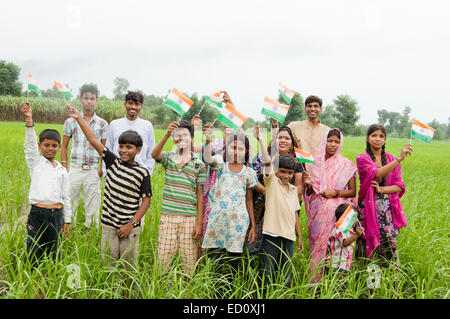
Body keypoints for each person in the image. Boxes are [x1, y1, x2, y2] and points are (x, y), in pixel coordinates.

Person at [66, 105, 151, 267]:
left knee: (128, 268)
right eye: (121, 146)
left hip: (130, 228)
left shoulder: (143, 173)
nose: (123, 151)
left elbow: (146, 202)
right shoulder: (112, 162)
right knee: (108, 265)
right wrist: (78, 118)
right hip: (109, 225)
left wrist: (131, 224)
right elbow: (92, 139)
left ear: (138, 150)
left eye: (129, 147)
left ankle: (127, 293)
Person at [152, 120, 206, 277]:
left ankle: (187, 290)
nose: (181, 138)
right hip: (168, 217)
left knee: (188, 261)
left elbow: (200, 194)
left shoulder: (199, 164)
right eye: (177, 135)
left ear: (193, 138)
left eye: (186, 135)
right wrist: (167, 134)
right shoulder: (169, 157)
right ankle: (160, 288)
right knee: (163, 258)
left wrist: (199, 222)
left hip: (190, 219)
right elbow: (154, 154)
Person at [303, 128, 357, 282]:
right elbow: (309, 194)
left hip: (339, 214)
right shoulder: (314, 164)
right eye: (330, 140)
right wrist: (307, 184)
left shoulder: (346, 165)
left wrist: (335, 192)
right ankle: (314, 283)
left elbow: (352, 192)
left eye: (337, 141)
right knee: (318, 247)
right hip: (319, 215)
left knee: (337, 248)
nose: (333, 144)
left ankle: (333, 284)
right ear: (324, 141)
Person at [22, 102, 71, 267]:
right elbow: (29, 146)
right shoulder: (36, 163)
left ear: (59, 147)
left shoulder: (62, 170)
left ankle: (50, 284)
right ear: (40, 146)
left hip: (57, 215)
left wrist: (67, 220)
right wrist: (29, 121)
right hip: (37, 214)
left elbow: (66, 196)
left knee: (55, 252)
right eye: (46, 145)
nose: (50, 149)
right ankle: (32, 284)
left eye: (54, 146)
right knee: (34, 250)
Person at [356, 124, 412, 267]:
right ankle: (367, 284)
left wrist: (381, 189)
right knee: (366, 244)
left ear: (385, 139)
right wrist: (399, 159)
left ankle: (390, 283)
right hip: (367, 209)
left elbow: (399, 186)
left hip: (387, 210)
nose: (377, 139)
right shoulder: (362, 158)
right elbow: (377, 173)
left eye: (381, 136)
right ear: (367, 138)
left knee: (388, 245)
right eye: (374, 135)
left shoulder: (391, 159)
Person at [201, 128, 257, 271]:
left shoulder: (249, 173)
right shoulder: (220, 165)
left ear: (246, 152)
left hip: (238, 223)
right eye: (233, 147)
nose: (236, 151)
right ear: (227, 149)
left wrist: (253, 226)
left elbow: (249, 200)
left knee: (234, 262)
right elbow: (208, 159)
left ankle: (231, 291)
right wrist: (208, 139)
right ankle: (214, 292)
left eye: (240, 148)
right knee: (215, 262)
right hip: (218, 221)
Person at [255, 125, 303, 289]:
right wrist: (261, 139)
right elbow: (268, 161)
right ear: (275, 171)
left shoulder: (293, 190)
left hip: (289, 239)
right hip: (271, 236)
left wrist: (300, 236)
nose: (286, 176)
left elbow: (294, 213)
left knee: (285, 274)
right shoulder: (271, 183)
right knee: (266, 273)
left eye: (290, 173)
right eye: (282, 172)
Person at [250, 120, 305, 253]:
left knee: (280, 244)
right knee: (257, 239)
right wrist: (265, 191)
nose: (283, 141)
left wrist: (282, 196)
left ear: (292, 142)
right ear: (274, 140)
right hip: (261, 203)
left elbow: (299, 186)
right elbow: (251, 177)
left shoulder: (297, 161)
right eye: (280, 137)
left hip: (286, 207)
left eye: (287, 138)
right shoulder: (263, 156)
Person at [61, 83, 108, 231]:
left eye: (92, 98)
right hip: (75, 167)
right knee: (69, 200)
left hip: (92, 169)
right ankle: (68, 231)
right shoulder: (70, 121)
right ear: (80, 100)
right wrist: (64, 165)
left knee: (93, 202)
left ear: (96, 101)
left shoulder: (102, 123)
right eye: (86, 98)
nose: (89, 101)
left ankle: (90, 234)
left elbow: (104, 150)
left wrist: (101, 169)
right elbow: (64, 146)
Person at [104, 90, 155, 176]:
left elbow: (151, 152)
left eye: (137, 104)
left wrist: (147, 173)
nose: (133, 107)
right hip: (117, 172)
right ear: (125, 104)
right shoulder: (114, 124)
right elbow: (108, 150)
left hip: (139, 173)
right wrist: (107, 174)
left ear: (141, 106)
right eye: (130, 103)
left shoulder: (147, 125)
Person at [325, 203, 364, 280]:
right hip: (335, 267)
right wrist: (355, 236)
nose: (356, 220)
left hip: (343, 267)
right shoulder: (340, 230)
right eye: (354, 217)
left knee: (341, 289)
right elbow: (344, 243)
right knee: (336, 289)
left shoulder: (349, 232)